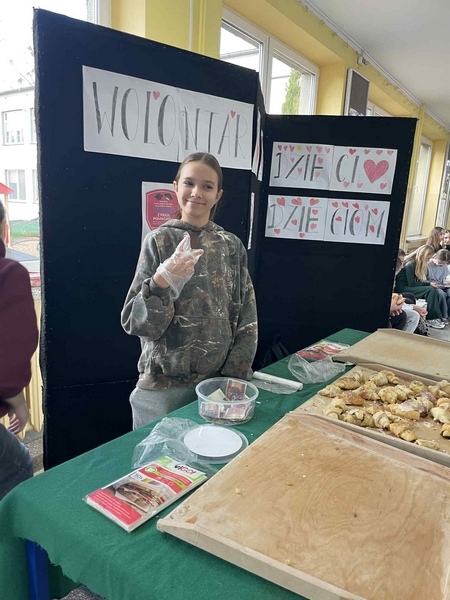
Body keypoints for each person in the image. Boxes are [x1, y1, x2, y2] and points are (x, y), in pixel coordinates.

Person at [121, 152, 258, 428]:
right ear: (175, 187)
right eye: (189, 183)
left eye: (207, 186)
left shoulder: (231, 246)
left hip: (217, 384)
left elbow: (247, 317)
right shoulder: (159, 241)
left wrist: (235, 376)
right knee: (159, 452)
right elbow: (135, 323)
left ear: (218, 195)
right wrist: (161, 281)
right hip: (164, 386)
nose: (197, 192)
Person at [0, 200, 39, 500]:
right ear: (4, 227)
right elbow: (8, 359)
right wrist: (19, 403)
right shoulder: (9, 273)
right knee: (20, 465)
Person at [395, 244, 445, 329]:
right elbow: (412, 283)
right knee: (430, 290)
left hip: (408, 287)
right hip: (403, 288)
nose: (428, 261)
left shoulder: (416, 262)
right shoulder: (410, 263)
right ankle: (431, 318)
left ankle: (435, 317)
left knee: (431, 289)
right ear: (422, 256)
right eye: (427, 258)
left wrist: (428, 283)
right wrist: (428, 284)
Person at [427, 248, 450, 324]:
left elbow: (444, 278)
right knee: (441, 294)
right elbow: (424, 279)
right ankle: (443, 315)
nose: (441, 265)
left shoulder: (445, 266)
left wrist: (446, 283)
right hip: (432, 285)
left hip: (442, 284)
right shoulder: (428, 265)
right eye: (440, 263)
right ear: (435, 257)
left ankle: (449, 314)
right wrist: (432, 284)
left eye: (443, 264)